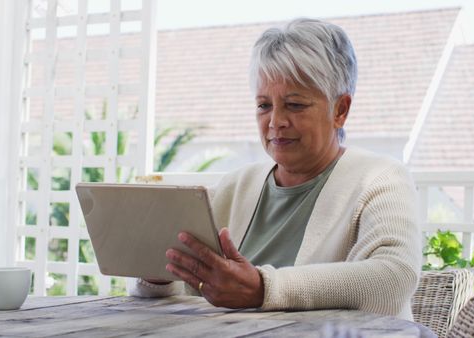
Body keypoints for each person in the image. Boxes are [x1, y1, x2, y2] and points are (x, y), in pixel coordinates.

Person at [129, 17, 421, 320]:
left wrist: (263, 289)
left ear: (340, 110)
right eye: (263, 105)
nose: (275, 121)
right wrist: (159, 279)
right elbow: (191, 295)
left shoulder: (380, 179)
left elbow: (393, 279)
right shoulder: (235, 187)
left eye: (295, 105)